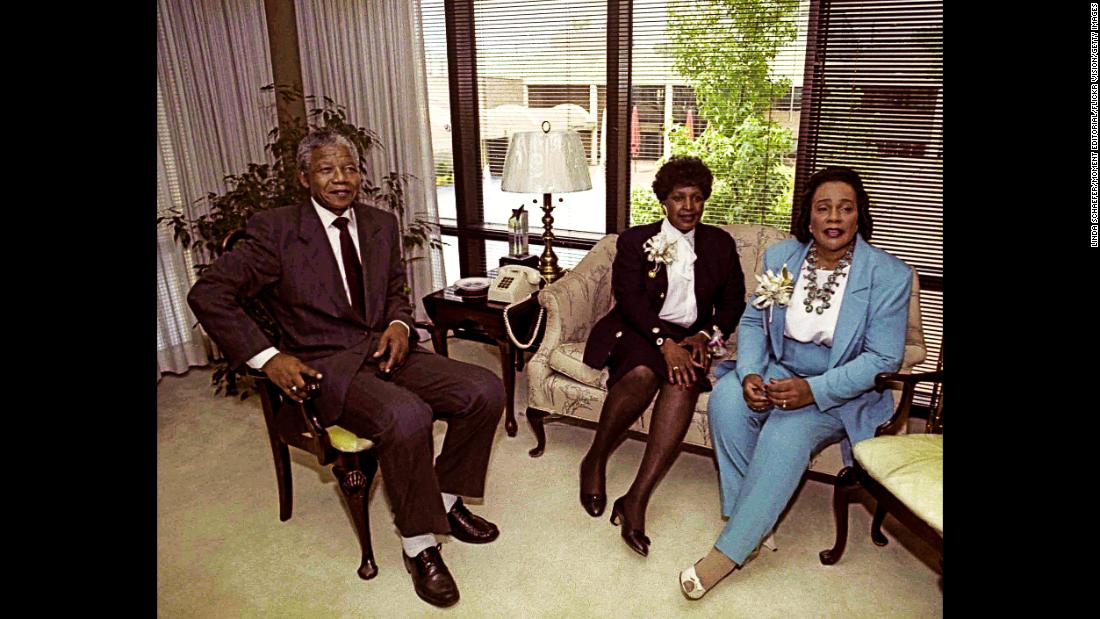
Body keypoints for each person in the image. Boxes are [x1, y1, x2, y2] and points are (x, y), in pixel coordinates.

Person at [187, 130, 506, 609]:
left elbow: (397, 289)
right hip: (328, 366)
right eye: (326, 170)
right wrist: (269, 358)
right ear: (304, 178)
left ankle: (444, 498)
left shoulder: (381, 222)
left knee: (485, 388)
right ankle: (419, 544)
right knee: (407, 416)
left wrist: (399, 323)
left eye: (350, 169)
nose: (341, 179)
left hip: (387, 350)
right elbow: (208, 294)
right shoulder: (274, 231)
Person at [678, 166, 913, 599]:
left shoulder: (888, 276)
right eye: (823, 208)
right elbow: (752, 321)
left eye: (846, 208)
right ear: (808, 219)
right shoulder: (781, 259)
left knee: (785, 433)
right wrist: (750, 371)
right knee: (727, 402)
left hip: (840, 387)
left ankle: (729, 552)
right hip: (777, 367)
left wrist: (814, 390)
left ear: (859, 216)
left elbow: (883, 358)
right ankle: (748, 520)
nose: (834, 218)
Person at [580, 156, 746, 557]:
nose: (688, 207)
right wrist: (662, 343)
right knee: (639, 375)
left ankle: (636, 498)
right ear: (664, 201)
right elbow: (631, 302)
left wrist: (704, 336)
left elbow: (732, 301)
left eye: (696, 198)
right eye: (678, 198)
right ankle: (595, 459)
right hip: (638, 328)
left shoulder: (719, 244)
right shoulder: (636, 241)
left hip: (691, 337)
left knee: (684, 382)